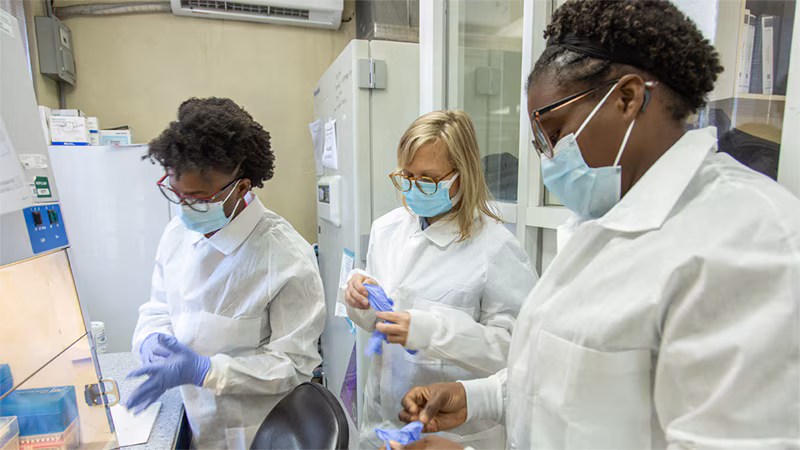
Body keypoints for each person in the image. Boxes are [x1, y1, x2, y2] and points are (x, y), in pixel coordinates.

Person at [395, 1, 800, 449]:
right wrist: (481, 397)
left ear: (627, 98)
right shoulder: (601, 222)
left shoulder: (749, 240)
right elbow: (578, 384)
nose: (549, 157)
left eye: (554, 133)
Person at [127, 97, 326, 449]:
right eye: (177, 194)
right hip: (194, 421)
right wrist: (150, 341)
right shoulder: (176, 234)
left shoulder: (285, 256)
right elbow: (159, 307)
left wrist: (207, 371)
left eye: (198, 199)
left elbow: (293, 366)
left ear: (242, 188)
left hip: (256, 433)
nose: (185, 208)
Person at [342, 110, 538, 448]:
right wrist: (359, 300)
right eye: (407, 176)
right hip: (384, 419)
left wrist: (432, 331)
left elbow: (516, 352)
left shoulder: (495, 247)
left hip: (453, 435)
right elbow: (376, 321)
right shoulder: (386, 229)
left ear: (463, 174)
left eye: (429, 179)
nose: (414, 188)